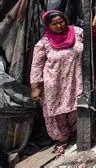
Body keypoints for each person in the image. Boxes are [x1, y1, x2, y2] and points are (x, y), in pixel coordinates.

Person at [30, 10, 83, 157]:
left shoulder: (77, 33)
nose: (59, 25)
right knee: (56, 113)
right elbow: (36, 65)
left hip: (75, 79)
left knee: (75, 108)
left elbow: (93, 38)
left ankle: (76, 134)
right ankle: (62, 139)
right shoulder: (44, 43)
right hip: (54, 83)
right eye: (54, 24)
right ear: (48, 26)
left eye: (61, 22)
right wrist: (35, 88)